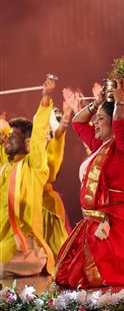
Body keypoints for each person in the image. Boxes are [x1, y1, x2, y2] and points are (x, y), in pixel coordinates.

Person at [54, 82, 124, 287]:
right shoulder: (99, 145)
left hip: (116, 223)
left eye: (101, 119)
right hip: (95, 222)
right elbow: (78, 123)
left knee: (82, 277)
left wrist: (119, 100)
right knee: (64, 274)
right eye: (96, 119)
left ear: (114, 124)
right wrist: (97, 104)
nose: (94, 123)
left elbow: (121, 124)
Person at [1, 79, 56, 277]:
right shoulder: (5, 165)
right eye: (7, 137)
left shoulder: (34, 166)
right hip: (4, 241)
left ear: (26, 142)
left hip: (24, 245)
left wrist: (46, 99)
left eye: (12, 137)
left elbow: (39, 135)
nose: (7, 140)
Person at [43, 90, 76, 258]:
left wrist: (67, 115)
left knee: (58, 250)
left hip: (47, 202)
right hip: (30, 199)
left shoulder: (55, 142)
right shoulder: (31, 145)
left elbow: (61, 130)